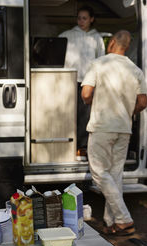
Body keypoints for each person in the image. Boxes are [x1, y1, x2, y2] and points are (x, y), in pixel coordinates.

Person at [81, 30, 147, 235]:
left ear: (111, 44)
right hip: (123, 128)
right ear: (126, 47)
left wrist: (93, 102)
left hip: (102, 127)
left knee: (99, 173)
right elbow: (143, 102)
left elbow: (85, 94)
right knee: (115, 175)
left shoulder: (99, 63)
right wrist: (128, 112)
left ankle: (124, 219)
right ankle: (111, 223)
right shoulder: (136, 70)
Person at [59, 5, 105, 153]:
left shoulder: (97, 38)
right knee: (68, 113)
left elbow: (101, 61)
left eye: (84, 18)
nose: (81, 21)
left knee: (85, 115)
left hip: (88, 82)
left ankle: (82, 147)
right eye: (79, 18)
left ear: (92, 19)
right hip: (69, 81)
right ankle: (66, 145)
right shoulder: (67, 35)